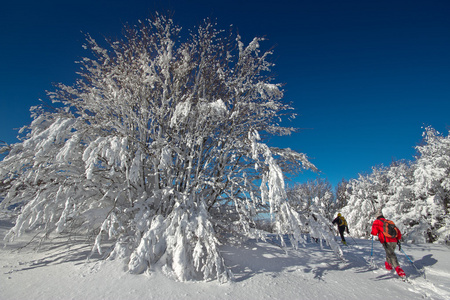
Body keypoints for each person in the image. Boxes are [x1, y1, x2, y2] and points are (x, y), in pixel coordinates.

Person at [371, 209, 406, 278]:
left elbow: (374, 232)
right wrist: (398, 239)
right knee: (389, 252)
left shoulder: (377, 222)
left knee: (391, 254)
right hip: (394, 241)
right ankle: (388, 265)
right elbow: (397, 231)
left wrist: (373, 233)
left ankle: (398, 269)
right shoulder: (389, 222)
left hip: (386, 241)